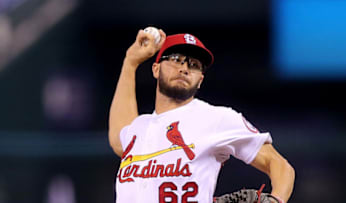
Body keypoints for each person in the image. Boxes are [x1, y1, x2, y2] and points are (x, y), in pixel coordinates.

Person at [108, 28, 295, 203]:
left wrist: (276, 200)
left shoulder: (217, 118)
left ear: (200, 81)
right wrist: (130, 62)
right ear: (156, 69)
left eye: (194, 65)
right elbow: (118, 138)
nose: (184, 68)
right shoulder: (139, 127)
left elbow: (279, 165)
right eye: (176, 59)